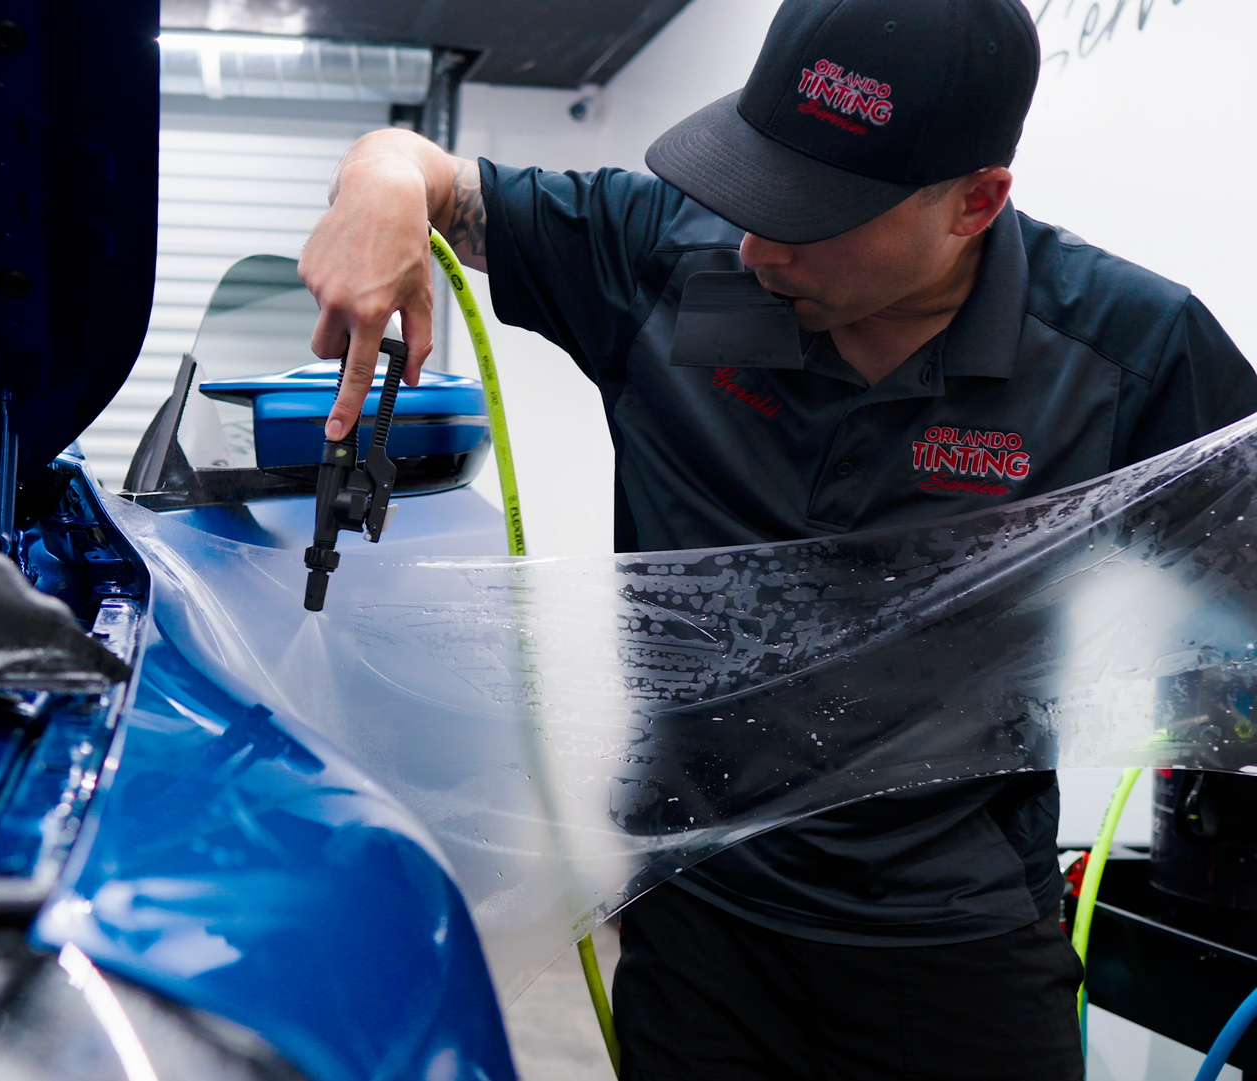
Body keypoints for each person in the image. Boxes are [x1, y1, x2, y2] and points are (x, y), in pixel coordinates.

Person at [297, 0, 1257, 1076]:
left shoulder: (1127, 353)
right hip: (698, 922)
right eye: (752, 184)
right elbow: (427, 174)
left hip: (958, 949)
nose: (755, 241)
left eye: (808, 214)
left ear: (974, 204)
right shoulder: (671, 260)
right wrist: (378, 179)